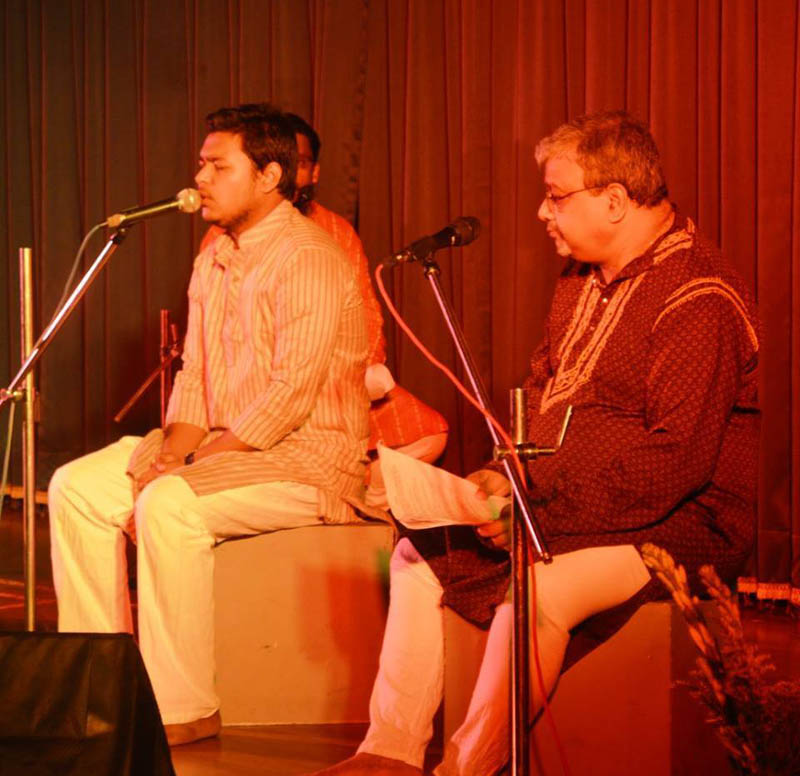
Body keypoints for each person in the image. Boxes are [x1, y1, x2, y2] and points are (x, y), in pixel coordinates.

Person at [311, 110, 760, 775]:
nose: (543, 213)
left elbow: (676, 462)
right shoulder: (579, 279)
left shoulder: (699, 297)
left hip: (682, 522)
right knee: (416, 551)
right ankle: (390, 751)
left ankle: (469, 766)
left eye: (557, 196)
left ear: (614, 200)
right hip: (557, 501)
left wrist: (536, 513)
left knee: (542, 589)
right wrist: (504, 476)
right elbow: (543, 391)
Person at [48, 103, 370, 746]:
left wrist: (185, 470)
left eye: (219, 166)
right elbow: (195, 376)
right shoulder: (215, 254)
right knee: (75, 487)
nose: (199, 179)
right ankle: (101, 687)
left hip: (307, 458)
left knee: (168, 503)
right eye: (201, 164)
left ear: (270, 176)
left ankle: (181, 706)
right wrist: (173, 453)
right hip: (226, 449)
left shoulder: (309, 257)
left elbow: (288, 398)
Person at [201, 112, 449, 504]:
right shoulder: (222, 237)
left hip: (335, 384)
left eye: (299, 164)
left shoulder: (336, 231)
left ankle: (356, 496)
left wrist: (357, 374)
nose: (290, 175)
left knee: (430, 432)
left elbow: (367, 314)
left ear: (313, 172)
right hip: (260, 387)